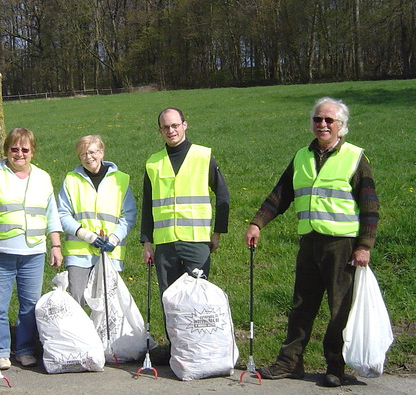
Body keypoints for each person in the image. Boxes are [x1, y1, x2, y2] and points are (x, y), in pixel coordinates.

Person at [245, 97, 379, 387]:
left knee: (340, 308)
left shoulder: (356, 158)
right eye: (318, 119)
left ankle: (335, 366)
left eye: (329, 120)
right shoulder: (302, 156)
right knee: (302, 304)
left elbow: (370, 206)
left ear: (341, 125)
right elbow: (280, 194)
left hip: (342, 245)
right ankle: (290, 363)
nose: (323, 124)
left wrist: (364, 245)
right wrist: (258, 222)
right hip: (310, 242)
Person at [0, 127, 63, 370]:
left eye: (25, 149)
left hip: (33, 251)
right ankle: (0, 351)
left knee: (29, 305)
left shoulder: (43, 177)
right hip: (0, 250)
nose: (19, 154)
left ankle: (25, 349)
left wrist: (55, 244)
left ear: (33, 152)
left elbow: (51, 213)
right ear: (6, 151)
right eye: (14, 149)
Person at [141, 107, 230, 300]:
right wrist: (147, 243)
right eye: (165, 127)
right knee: (170, 300)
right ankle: (171, 333)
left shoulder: (203, 156)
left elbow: (223, 195)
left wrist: (217, 233)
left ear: (184, 125)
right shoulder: (153, 163)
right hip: (165, 244)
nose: (171, 131)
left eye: (175, 125)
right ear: (160, 131)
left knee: (198, 299)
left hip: (196, 241)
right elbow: (147, 205)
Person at [57, 135, 136, 307]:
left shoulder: (121, 179)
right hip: (79, 253)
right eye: (83, 154)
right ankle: (79, 334)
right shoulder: (71, 180)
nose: (88, 157)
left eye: (92, 152)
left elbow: (129, 215)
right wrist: (86, 235)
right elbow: (62, 214)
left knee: (107, 302)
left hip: (109, 252)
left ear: (101, 153)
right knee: (76, 298)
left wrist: (115, 238)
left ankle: (104, 335)